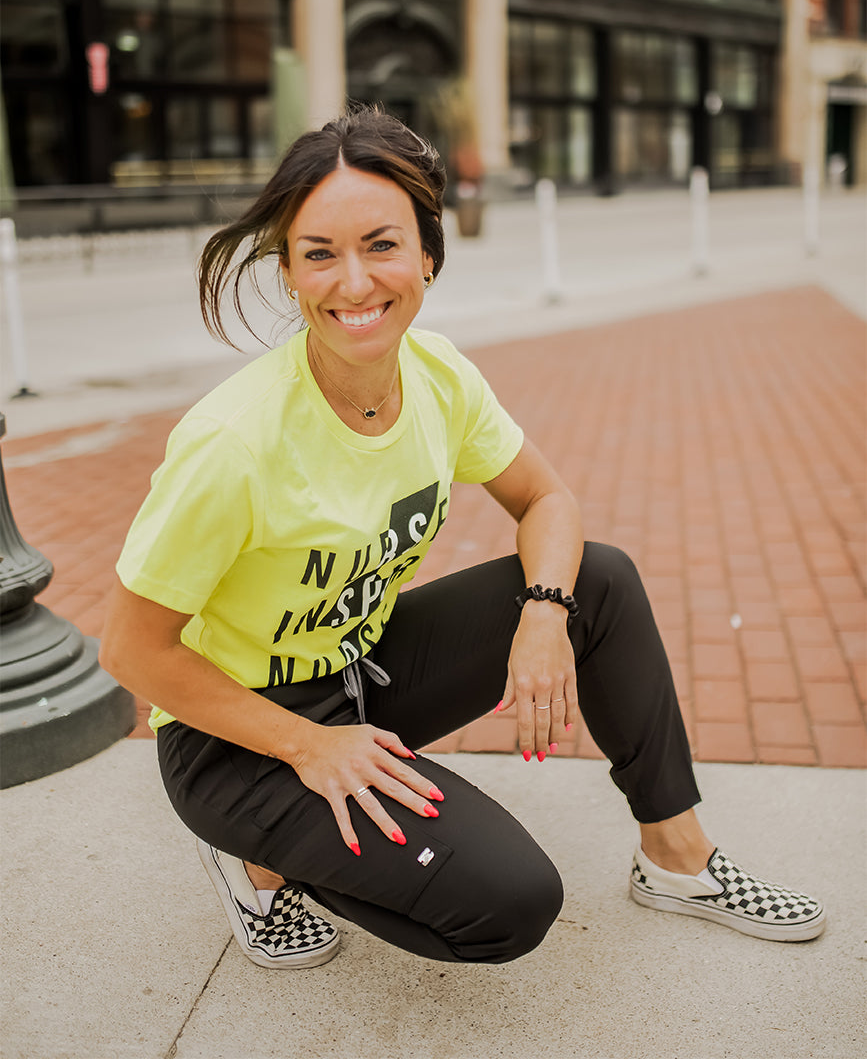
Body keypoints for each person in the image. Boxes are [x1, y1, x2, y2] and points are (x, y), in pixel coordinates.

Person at [101, 107, 825, 970]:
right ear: (291, 274)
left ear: (428, 258)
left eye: (381, 245)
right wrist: (308, 745)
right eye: (319, 254)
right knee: (510, 905)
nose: (354, 283)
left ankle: (676, 858)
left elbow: (546, 498)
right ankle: (258, 855)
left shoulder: (439, 376)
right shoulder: (236, 441)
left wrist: (544, 616)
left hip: (358, 672)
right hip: (236, 736)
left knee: (598, 578)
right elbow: (130, 649)